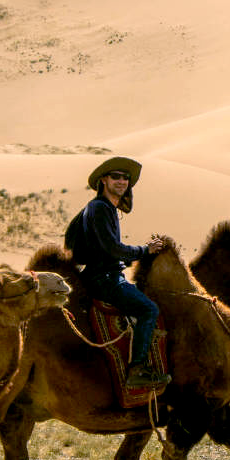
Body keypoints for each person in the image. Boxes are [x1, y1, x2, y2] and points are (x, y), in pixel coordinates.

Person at [64, 156, 170, 390]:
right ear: (104, 180)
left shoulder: (105, 208)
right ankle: (138, 369)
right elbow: (111, 248)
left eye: (125, 178)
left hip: (107, 275)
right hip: (104, 279)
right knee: (148, 309)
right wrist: (145, 250)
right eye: (116, 177)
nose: (122, 181)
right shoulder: (99, 208)